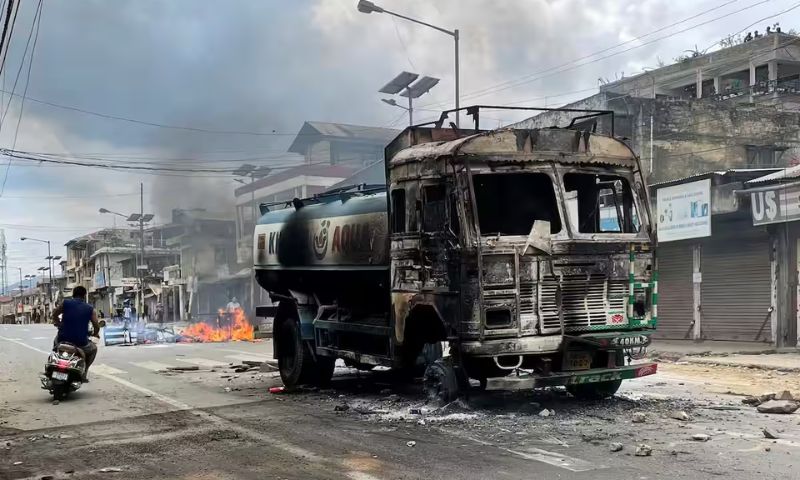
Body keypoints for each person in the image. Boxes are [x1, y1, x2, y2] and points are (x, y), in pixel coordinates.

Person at [51, 286, 100, 381]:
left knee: (55, 347)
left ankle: (54, 363)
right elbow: (96, 325)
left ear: (73, 294)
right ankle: (84, 372)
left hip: (63, 339)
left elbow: (54, 314)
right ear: (84, 295)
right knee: (93, 349)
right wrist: (95, 334)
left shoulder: (66, 303)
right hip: (80, 342)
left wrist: (58, 323)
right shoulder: (90, 309)